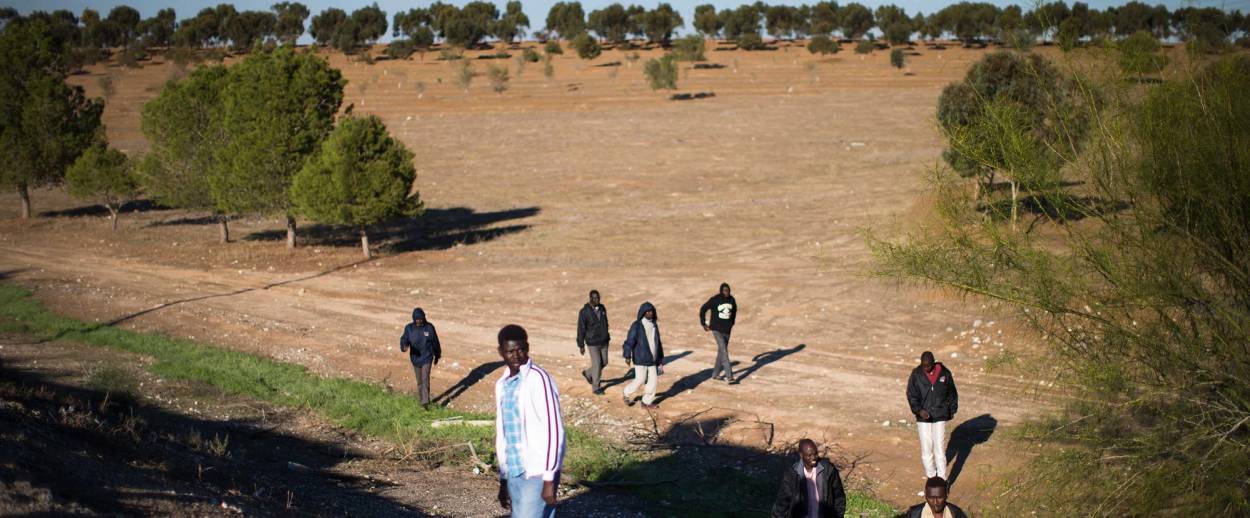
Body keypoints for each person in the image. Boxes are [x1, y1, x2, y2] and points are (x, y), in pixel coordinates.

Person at [494, 324, 565, 518]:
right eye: (510, 351)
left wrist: (549, 479)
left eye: (521, 349)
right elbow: (504, 433)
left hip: (537, 472)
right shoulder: (502, 384)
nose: (516, 356)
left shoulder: (538, 379)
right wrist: (504, 478)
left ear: (527, 347)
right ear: (501, 352)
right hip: (514, 470)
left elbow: (554, 430)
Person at [906, 351, 958, 485]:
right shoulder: (916, 375)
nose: (925, 368)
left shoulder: (944, 373)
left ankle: (942, 480)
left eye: (928, 365)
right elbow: (911, 395)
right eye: (923, 365)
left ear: (933, 363)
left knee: (939, 448)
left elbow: (952, 392)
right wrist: (919, 410)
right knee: (926, 449)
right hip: (923, 418)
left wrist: (952, 410)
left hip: (940, 415)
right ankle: (931, 477)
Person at [771, 439, 847, 518]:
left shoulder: (828, 470)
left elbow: (839, 497)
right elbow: (782, 503)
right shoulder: (792, 475)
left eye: (815, 454)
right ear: (801, 455)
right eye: (809, 455)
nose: (814, 458)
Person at [622, 301, 664, 409]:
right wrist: (627, 355)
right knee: (640, 379)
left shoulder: (654, 325)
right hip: (640, 357)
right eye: (648, 311)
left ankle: (646, 402)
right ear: (643, 313)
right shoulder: (637, 325)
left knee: (653, 381)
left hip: (652, 358)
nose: (650, 313)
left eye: (652, 311)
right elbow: (630, 340)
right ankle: (626, 393)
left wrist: (660, 358)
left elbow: (658, 342)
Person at [399, 307, 441, 407]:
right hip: (415, 358)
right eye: (416, 319)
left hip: (427, 357)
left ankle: (425, 402)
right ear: (413, 319)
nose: (418, 321)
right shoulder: (409, 328)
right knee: (419, 382)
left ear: (423, 318)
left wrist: (437, 355)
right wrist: (404, 346)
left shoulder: (429, 327)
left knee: (425, 378)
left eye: (420, 319)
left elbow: (435, 342)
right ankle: (421, 400)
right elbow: (404, 339)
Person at [700, 283, 738, 383]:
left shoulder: (732, 300)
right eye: (725, 290)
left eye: (728, 290)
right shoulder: (715, 300)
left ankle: (715, 374)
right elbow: (703, 309)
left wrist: (732, 323)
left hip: (727, 330)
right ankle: (730, 376)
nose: (726, 292)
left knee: (721, 352)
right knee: (724, 352)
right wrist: (703, 323)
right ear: (721, 291)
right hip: (716, 329)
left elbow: (734, 311)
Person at [575, 290, 610, 395]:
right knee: (597, 364)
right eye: (594, 298)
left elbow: (605, 322)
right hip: (592, 342)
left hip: (603, 340)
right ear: (590, 298)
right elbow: (581, 328)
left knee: (604, 362)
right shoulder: (584, 312)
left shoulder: (602, 308)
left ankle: (588, 373)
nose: (597, 300)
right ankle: (596, 387)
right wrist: (581, 345)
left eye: (598, 297)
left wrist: (606, 334)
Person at [904, 477, 968, 518]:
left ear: (946, 495)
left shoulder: (956, 513)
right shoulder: (913, 514)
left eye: (939, 498)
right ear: (925, 495)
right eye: (931, 498)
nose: (935, 502)